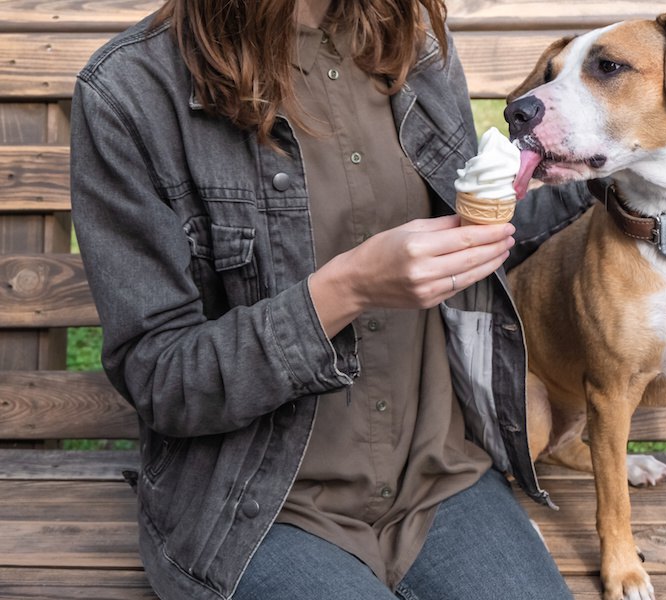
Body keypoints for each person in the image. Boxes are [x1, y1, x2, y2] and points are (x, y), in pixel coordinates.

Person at [70, 1, 594, 598]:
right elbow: (162, 379)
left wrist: (612, 169)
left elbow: (475, 232)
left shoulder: (411, 44)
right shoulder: (129, 91)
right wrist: (344, 291)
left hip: (439, 478)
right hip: (256, 508)